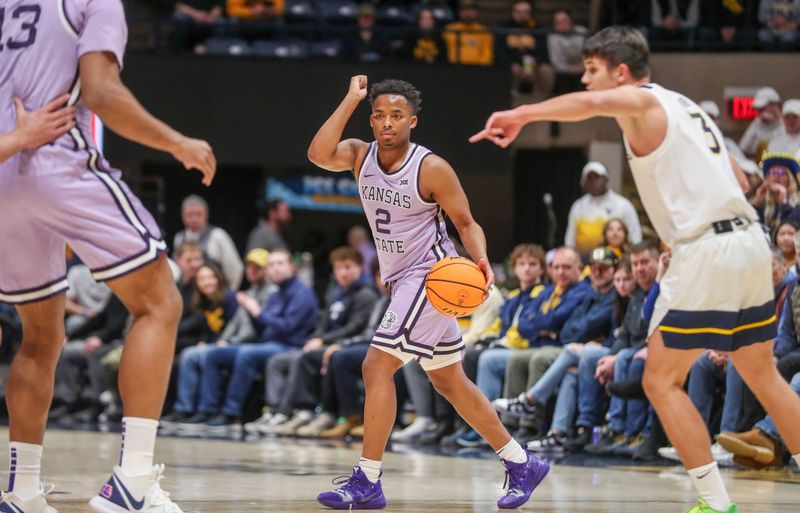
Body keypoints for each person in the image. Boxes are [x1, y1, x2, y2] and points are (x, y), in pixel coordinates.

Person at [472, 26, 800, 513]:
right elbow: (741, 177)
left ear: (620, 73)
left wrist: (523, 113)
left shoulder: (642, 103)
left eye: (591, 70)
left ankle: (715, 502)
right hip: (750, 241)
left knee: (659, 380)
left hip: (708, 248)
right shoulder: (686, 108)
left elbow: (587, 107)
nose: (584, 81)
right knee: (762, 372)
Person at [0, 1, 215, 512]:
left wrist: (15, 139)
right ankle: (133, 483)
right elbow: (100, 92)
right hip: (56, 164)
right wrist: (176, 141)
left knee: (41, 335)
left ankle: (20, 490)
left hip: (5, 174)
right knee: (160, 300)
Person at [307, 76, 548, 510]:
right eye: (379, 115)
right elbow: (318, 153)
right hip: (402, 280)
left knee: (375, 365)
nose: (386, 123)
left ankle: (368, 479)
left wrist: (482, 259)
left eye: (396, 116)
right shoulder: (360, 155)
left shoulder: (430, 167)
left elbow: (467, 223)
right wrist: (349, 99)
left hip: (433, 277)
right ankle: (520, 462)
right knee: (450, 381)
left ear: (412, 121)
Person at [564, 161, 642, 257]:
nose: (592, 182)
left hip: (617, 259)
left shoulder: (623, 205)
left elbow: (636, 238)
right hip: (583, 260)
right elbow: (569, 242)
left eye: (596, 177)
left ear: (606, 179)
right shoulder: (578, 206)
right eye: (589, 178)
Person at [174, 195, 244, 290]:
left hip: (213, 296)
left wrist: (228, 294)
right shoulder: (179, 238)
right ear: (183, 216)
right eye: (189, 215)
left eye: (198, 214)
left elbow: (235, 269)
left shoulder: (218, 235)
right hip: (187, 295)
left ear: (206, 216)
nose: (194, 219)